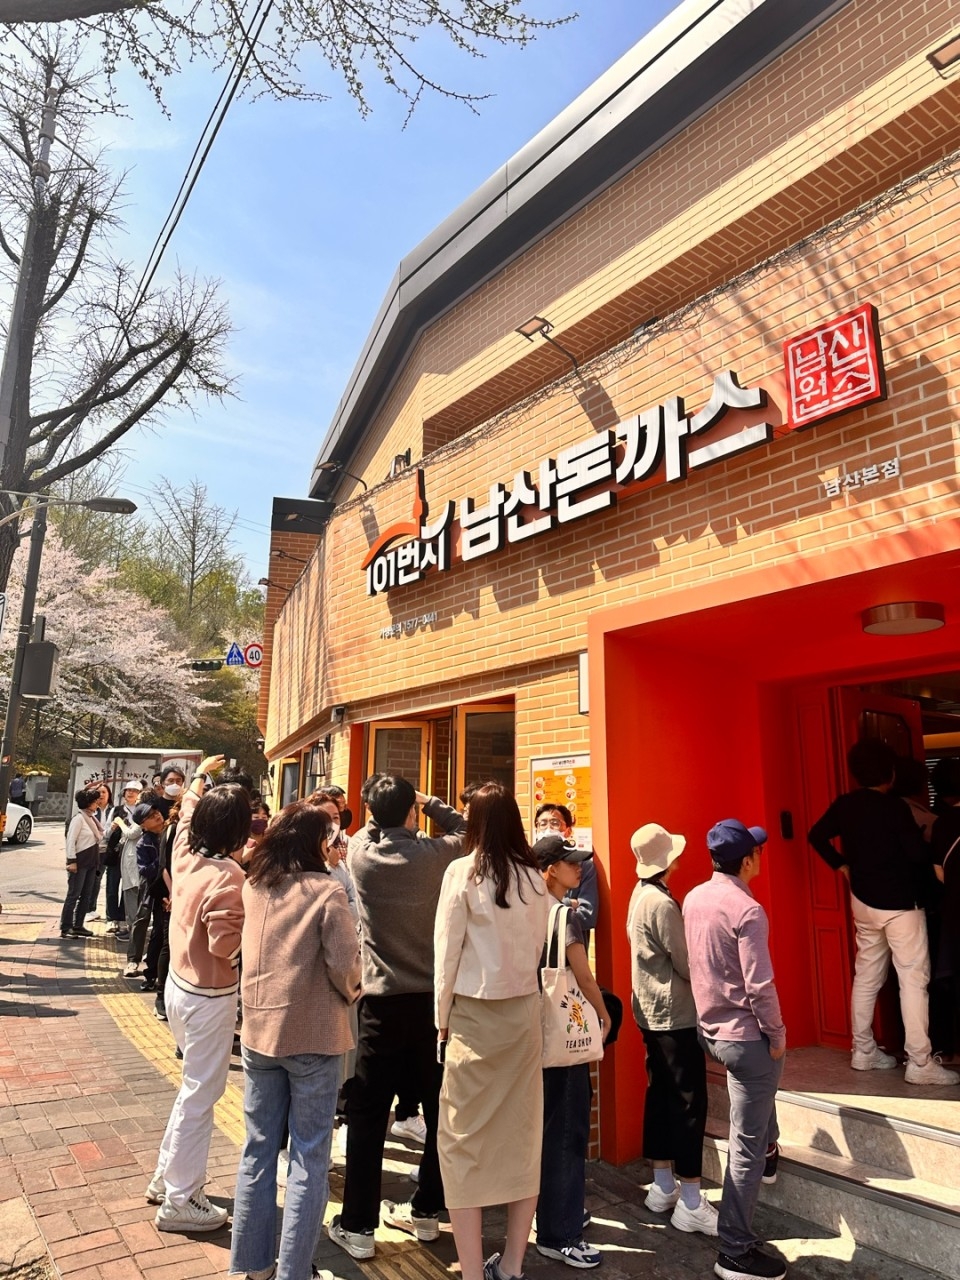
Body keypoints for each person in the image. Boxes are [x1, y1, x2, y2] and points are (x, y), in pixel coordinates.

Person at [327, 774, 466, 1261]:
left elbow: (362, 827)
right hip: (433, 1006)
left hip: (381, 1005)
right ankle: (428, 1211)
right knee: (438, 1109)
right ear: (413, 812)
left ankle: (359, 1225)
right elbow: (467, 830)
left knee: (368, 1114)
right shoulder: (436, 856)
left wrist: (397, 808)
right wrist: (431, 802)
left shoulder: (363, 854)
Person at [229, 801, 361, 1280]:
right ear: (312, 842)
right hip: (314, 1034)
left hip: (259, 1033)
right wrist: (354, 992)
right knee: (309, 1155)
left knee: (258, 1148)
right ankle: (295, 1272)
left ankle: (253, 1264)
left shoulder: (255, 885)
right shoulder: (326, 892)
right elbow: (346, 965)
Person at [431, 783, 550, 1280]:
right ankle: (514, 1265)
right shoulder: (536, 879)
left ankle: (474, 1272)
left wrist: (440, 1022)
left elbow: (446, 956)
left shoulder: (462, 872)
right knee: (523, 1138)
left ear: (475, 821)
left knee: (461, 1142)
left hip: (474, 1017)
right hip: (523, 1015)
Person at [808, 740, 957, 1086]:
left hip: (862, 901)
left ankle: (863, 1051)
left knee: (867, 976)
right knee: (913, 981)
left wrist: (842, 865)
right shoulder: (894, 809)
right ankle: (920, 1062)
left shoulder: (846, 805)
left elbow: (816, 835)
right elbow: (918, 856)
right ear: (890, 773)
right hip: (902, 905)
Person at [147, 753, 248, 1234]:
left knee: (191, 1088)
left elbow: (187, 811)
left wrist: (199, 778)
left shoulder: (186, 850)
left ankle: (166, 1177)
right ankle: (180, 1198)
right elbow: (224, 944)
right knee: (201, 1095)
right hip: (209, 996)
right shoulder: (230, 876)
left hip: (178, 987)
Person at [683, 820, 786, 1280]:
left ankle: (769, 1146)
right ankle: (735, 1251)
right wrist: (778, 1033)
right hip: (746, 1037)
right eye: (757, 852)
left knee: (758, 1117)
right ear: (747, 860)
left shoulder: (694, 897)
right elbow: (759, 985)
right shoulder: (748, 909)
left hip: (711, 1031)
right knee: (745, 1150)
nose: (760, 857)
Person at [627, 824, 716, 1236]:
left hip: (648, 1011)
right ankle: (692, 1199)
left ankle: (663, 1185)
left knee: (659, 1095)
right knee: (689, 1104)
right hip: (674, 1014)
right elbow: (683, 961)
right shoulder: (662, 904)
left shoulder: (638, 894)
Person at [535, 834, 609, 1270]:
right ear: (549, 869)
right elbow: (582, 975)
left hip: (533, 1035)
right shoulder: (566, 916)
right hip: (566, 1038)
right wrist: (603, 1014)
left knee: (546, 1130)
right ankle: (560, 1231)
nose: (578, 869)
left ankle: (553, 1212)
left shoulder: (524, 909)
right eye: (569, 863)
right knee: (568, 1130)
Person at [534, 804, 597, 937]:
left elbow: (587, 916)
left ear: (568, 831)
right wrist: (570, 903)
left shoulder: (584, 865)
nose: (548, 828)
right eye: (542, 823)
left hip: (571, 944)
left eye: (555, 823)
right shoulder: (528, 864)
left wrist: (550, 910)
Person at [59, 787, 104, 939]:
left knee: (86, 894)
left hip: (91, 861)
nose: (97, 803)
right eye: (94, 801)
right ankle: (66, 927)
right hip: (79, 862)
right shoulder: (78, 819)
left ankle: (78, 925)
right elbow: (70, 841)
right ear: (87, 803)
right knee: (73, 894)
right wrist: (71, 861)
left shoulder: (92, 819)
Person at [104, 783, 141, 933]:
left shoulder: (141, 811)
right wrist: (112, 828)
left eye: (135, 791)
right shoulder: (116, 810)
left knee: (128, 887)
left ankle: (123, 917)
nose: (131, 793)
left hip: (133, 855)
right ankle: (111, 918)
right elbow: (105, 833)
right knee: (112, 887)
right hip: (116, 853)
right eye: (128, 790)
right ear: (124, 793)